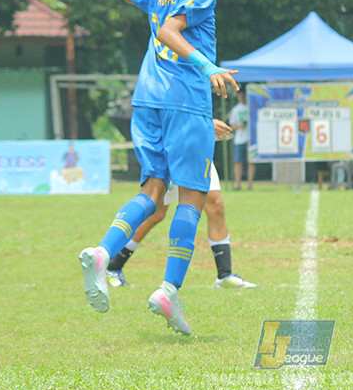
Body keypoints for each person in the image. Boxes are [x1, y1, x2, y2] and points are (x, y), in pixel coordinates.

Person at [78, 0, 237, 337]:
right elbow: (169, 31)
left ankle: (103, 253)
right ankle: (168, 290)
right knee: (193, 197)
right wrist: (208, 67)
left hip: (148, 99)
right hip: (185, 101)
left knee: (152, 191)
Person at [106, 119, 259, 290]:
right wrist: (203, 124)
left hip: (198, 150)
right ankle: (113, 265)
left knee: (215, 205)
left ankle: (225, 275)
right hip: (174, 148)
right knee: (156, 212)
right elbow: (170, 111)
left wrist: (204, 123)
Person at [227, 89, 254, 190]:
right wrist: (240, 126)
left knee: (251, 162)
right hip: (239, 139)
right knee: (238, 162)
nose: (242, 97)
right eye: (240, 95)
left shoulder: (251, 107)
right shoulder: (235, 110)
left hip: (251, 138)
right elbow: (231, 126)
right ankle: (237, 184)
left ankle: (249, 185)